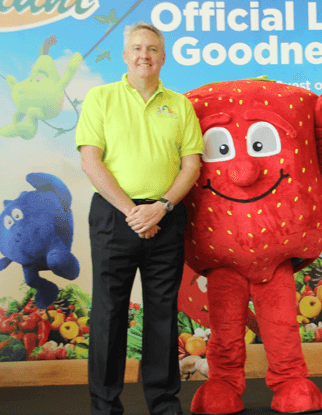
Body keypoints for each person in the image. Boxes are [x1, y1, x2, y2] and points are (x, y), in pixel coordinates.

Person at [75, 22, 202, 415]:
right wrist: (132, 211)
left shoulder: (180, 105)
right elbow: (90, 161)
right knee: (109, 312)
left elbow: (192, 165)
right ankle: (104, 406)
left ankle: (164, 404)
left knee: (162, 311)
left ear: (163, 58)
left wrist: (160, 206)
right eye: (136, 48)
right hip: (115, 217)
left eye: (152, 49)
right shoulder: (100, 98)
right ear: (125, 56)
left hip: (166, 215)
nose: (144, 55)